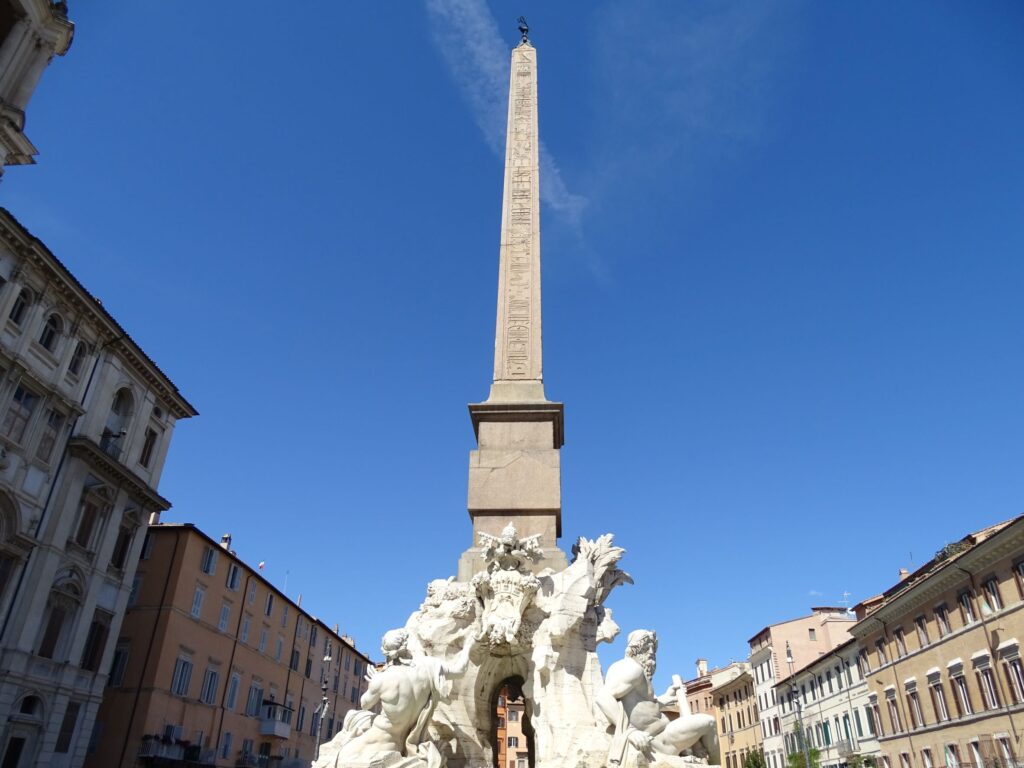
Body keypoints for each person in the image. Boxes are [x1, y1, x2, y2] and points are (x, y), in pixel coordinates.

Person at [596, 630, 719, 766]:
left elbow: (641, 706)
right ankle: (716, 763)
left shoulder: (635, 671)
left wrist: (665, 698)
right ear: (635, 648)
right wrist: (630, 732)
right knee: (709, 722)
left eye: (653, 648)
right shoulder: (631, 669)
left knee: (704, 724)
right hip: (659, 740)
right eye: (646, 646)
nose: (651, 652)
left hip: (662, 734)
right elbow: (603, 697)